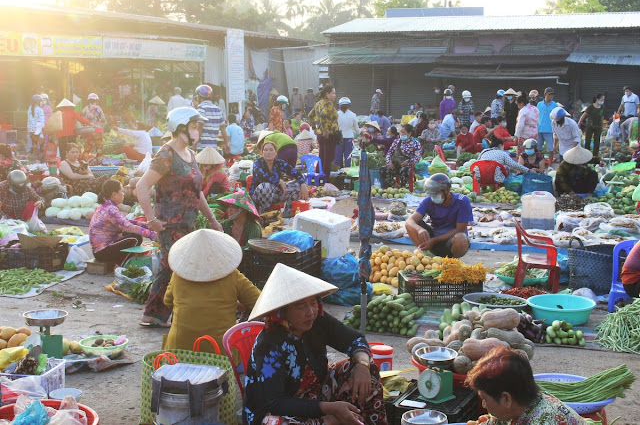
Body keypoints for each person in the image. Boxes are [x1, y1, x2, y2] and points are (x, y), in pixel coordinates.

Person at [243, 263, 387, 425]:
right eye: (301, 306)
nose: (310, 312)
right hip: (277, 411)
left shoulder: (318, 321)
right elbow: (276, 403)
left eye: (313, 303)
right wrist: (329, 409)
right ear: (283, 311)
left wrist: (362, 365)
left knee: (367, 367)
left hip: (316, 395)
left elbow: (354, 339)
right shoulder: (269, 345)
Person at [137, 107, 223, 328]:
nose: (198, 132)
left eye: (197, 128)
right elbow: (142, 186)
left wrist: (212, 220)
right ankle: (182, 314)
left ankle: (153, 314)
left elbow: (198, 192)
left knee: (169, 268)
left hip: (187, 223)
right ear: (180, 127)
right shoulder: (166, 154)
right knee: (179, 268)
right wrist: (151, 220)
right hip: (170, 224)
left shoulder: (190, 155)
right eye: (194, 127)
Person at [163, 229, 261, 351]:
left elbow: (168, 302)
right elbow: (259, 303)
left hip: (179, 351)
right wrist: (235, 305)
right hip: (221, 354)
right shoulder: (233, 276)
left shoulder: (178, 276)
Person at [466, 346, 584, 424]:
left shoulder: (546, 419)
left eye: (485, 399)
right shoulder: (513, 410)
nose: (483, 404)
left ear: (506, 399)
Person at [89, 179, 157, 265]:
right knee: (135, 238)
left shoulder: (106, 205)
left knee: (131, 235)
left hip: (100, 250)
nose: (123, 194)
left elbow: (126, 221)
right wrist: (152, 235)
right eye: (121, 191)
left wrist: (147, 226)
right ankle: (122, 264)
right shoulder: (111, 209)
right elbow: (129, 227)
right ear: (114, 194)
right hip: (103, 251)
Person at [406, 173, 472, 258]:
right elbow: (410, 221)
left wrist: (434, 240)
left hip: (451, 241)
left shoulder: (462, 201)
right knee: (412, 225)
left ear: (447, 190)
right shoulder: (428, 201)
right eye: (432, 194)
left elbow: (460, 229)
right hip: (433, 239)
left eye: (436, 194)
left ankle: (453, 262)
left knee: (461, 238)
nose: (433, 197)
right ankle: (427, 256)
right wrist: (419, 229)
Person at [250, 141, 309, 213]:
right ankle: (264, 215)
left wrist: (303, 183)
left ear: (276, 153)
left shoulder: (279, 163)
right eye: (266, 150)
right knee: (265, 186)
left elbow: (296, 173)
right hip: (259, 196)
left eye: (271, 150)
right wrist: (278, 181)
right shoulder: (258, 162)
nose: (268, 152)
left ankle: (288, 212)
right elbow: (261, 176)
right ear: (262, 153)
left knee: (297, 185)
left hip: (275, 194)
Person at [308, 85, 340, 179]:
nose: (335, 95)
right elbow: (322, 115)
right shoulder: (328, 104)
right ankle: (325, 181)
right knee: (328, 158)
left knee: (322, 156)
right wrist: (326, 130)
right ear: (327, 94)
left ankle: (318, 178)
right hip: (329, 134)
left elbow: (310, 115)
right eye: (333, 93)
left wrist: (314, 128)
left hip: (320, 134)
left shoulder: (318, 103)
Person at [381, 124, 421, 188]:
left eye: (403, 132)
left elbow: (417, 157)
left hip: (407, 166)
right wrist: (389, 162)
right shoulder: (396, 142)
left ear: (409, 133)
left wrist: (408, 162)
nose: (401, 134)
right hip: (395, 166)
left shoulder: (415, 143)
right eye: (400, 132)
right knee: (383, 169)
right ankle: (394, 185)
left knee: (404, 170)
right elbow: (389, 153)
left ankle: (403, 187)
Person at [194, 85, 226, 152]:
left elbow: (199, 127)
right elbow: (223, 129)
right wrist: (226, 143)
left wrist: (194, 144)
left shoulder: (201, 108)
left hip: (203, 147)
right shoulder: (217, 109)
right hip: (214, 146)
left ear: (199, 97)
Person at [514, 94, 540, 158]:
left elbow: (520, 125)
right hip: (534, 133)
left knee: (522, 154)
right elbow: (538, 121)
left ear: (522, 103)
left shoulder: (523, 110)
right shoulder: (535, 109)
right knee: (533, 153)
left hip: (524, 135)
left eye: (518, 104)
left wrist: (516, 136)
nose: (518, 107)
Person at [536, 87, 558, 162]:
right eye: (550, 94)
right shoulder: (539, 104)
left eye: (552, 95)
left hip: (549, 129)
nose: (551, 96)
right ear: (545, 94)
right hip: (539, 128)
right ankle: (539, 162)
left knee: (550, 149)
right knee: (538, 148)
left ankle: (550, 164)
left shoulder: (555, 105)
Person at [336, 97, 359, 168]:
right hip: (349, 138)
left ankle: (338, 173)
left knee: (337, 157)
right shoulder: (353, 115)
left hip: (338, 138)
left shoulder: (336, 114)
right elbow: (357, 129)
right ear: (349, 106)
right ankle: (348, 174)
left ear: (339, 105)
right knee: (348, 157)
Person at [27, 95, 45, 159]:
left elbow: (29, 121)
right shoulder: (40, 110)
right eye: (41, 101)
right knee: (41, 146)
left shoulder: (30, 109)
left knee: (34, 145)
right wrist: (42, 129)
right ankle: (41, 158)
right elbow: (41, 121)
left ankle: (34, 158)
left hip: (31, 130)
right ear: (38, 102)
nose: (42, 103)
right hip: (38, 130)